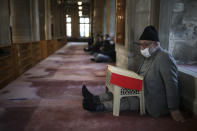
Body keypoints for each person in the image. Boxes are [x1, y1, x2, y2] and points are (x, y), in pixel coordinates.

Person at [82, 25, 185, 122]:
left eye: (146, 45)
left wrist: (174, 109)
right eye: (141, 44)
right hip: (141, 89)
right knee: (118, 89)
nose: (142, 48)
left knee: (125, 100)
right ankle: (95, 98)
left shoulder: (164, 57)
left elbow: (171, 84)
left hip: (151, 99)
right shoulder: (149, 55)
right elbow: (140, 74)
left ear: (156, 44)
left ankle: (98, 107)